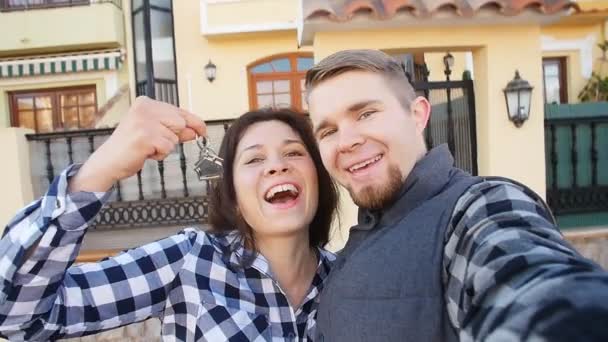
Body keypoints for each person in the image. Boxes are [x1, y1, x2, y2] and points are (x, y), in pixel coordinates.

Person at [304, 49, 608, 341]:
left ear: (418, 115)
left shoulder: (478, 208)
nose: (346, 141)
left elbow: (536, 287)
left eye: (366, 113)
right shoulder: (351, 246)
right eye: (328, 131)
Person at [0, 99, 339, 341]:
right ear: (233, 195)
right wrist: (100, 169)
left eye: (294, 152)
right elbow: (19, 316)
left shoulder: (349, 276)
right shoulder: (190, 260)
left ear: (318, 178)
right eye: (254, 159)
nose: (277, 165)